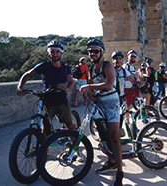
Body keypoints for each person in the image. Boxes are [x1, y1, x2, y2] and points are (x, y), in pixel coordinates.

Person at [80, 39, 123, 186]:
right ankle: (111, 162)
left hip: (111, 103)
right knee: (103, 135)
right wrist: (90, 92)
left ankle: (120, 173)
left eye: (96, 51)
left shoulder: (107, 66)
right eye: (90, 51)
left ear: (102, 52)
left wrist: (88, 85)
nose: (92, 53)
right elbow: (93, 88)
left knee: (114, 136)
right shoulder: (91, 69)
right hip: (99, 103)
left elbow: (109, 84)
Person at [16, 40, 76, 134]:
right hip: (48, 101)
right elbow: (27, 74)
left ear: (61, 53)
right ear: (49, 52)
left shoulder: (65, 67)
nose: (55, 54)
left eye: (57, 52)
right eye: (52, 51)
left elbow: (71, 81)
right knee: (45, 129)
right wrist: (20, 87)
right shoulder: (44, 66)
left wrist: (67, 87)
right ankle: (45, 148)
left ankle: (74, 146)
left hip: (62, 100)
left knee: (70, 125)